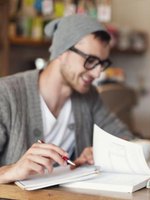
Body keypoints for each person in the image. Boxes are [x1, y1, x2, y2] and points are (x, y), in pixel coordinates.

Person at [0, 14, 134, 183]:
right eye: (90, 60)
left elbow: (124, 137)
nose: (97, 72)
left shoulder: (89, 96)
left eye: (102, 63)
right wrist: (12, 170)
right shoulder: (6, 94)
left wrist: (102, 151)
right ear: (62, 51)